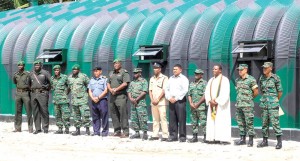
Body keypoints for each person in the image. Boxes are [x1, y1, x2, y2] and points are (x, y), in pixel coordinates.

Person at [257, 62, 283, 149]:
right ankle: (265, 141)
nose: (264, 69)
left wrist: (274, 100)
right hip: (264, 104)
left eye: (266, 67)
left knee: (275, 123)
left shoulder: (275, 78)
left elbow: (280, 92)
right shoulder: (262, 78)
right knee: (264, 123)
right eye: (263, 67)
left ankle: (279, 142)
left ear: (270, 68)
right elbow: (262, 90)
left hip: (273, 104)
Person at [204, 64, 231, 144]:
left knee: (222, 121)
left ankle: (223, 139)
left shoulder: (225, 80)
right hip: (212, 105)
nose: (214, 70)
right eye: (213, 69)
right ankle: (212, 138)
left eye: (216, 69)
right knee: (212, 121)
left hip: (221, 106)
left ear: (220, 70)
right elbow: (207, 92)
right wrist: (209, 100)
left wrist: (217, 101)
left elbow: (225, 93)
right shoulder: (211, 80)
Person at [235, 64, 258, 147]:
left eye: (241, 70)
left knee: (249, 123)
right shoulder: (238, 80)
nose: (239, 71)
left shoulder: (251, 79)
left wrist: (249, 99)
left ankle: (251, 140)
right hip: (239, 105)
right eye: (238, 70)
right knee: (240, 122)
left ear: (246, 70)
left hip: (247, 105)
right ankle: (242, 139)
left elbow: (256, 92)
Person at [165, 64, 189, 142]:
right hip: (171, 100)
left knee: (181, 119)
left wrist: (176, 98)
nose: (174, 70)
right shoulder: (170, 79)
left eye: (176, 69)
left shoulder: (184, 79)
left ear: (180, 70)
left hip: (180, 101)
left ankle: (182, 136)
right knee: (172, 119)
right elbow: (166, 89)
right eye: (173, 69)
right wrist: (169, 97)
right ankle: (173, 136)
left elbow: (185, 90)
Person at [107, 59, 130, 138]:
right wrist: (110, 90)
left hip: (121, 96)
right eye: (114, 64)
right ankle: (117, 131)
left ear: (120, 64)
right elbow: (108, 83)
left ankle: (126, 132)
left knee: (123, 114)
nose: (115, 65)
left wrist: (116, 89)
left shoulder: (124, 72)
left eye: (117, 63)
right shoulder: (111, 73)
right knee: (114, 113)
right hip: (112, 96)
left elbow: (125, 83)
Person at [67, 64, 90, 136]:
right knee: (75, 116)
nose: (74, 71)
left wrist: (87, 95)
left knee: (85, 115)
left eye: (76, 69)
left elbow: (89, 86)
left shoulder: (83, 76)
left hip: (82, 100)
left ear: (79, 70)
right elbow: (68, 87)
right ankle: (77, 130)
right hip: (74, 100)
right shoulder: (70, 77)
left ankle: (87, 130)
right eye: (73, 69)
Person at [148, 62, 169, 141]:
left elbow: (164, 90)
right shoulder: (152, 78)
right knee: (155, 119)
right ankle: (155, 134)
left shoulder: (164, 78)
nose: (155, 69)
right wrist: (152, 99)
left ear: (160, 69)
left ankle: (165, 135)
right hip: (153, 102)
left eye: (156, 68)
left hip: (162, 102)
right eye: (154, 68)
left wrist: (157, 99)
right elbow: (150, 90)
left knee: (163, 118)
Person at [29, 60, 51, 134]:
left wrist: (46, 88)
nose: (36, 66)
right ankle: (38, 128)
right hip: (33, 94)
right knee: (35, 111)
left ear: (41, 65)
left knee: (44, 111)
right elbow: (29, 84)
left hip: (42, 94)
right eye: (35, 65)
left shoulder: (45, 73)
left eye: (38, 65)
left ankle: (45, 128)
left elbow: (51, 82)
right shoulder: (31, 74)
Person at [127, 68, 149, 140]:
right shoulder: (132, 82)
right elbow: (129, 91)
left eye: (136, 73)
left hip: (140, 102)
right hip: (133, 102)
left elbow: (144, 91)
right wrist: (131, 99)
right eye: (134, 73)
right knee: (134, 118)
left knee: (142, 117)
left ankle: (145, 133)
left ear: (140, 73)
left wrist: (136, 99)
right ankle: (137, 133)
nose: (135, 74)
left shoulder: (143, 81)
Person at [13, 60, 33, 133]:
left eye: (21, 65)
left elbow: (31, 82)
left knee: (28, 111)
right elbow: (15, 82)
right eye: (19, 65)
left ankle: (30, 128)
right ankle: (17, 128)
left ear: (24, 66)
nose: (20, 66)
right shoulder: (16, 74)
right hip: (18, 93)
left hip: (26, 93)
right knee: (17, 111)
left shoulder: (28, 74)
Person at [88, 66, 109, 137]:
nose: (95, 72)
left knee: (104, 116)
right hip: (94, 100)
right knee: (95, 116)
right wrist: (93, 98)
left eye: (97, 71)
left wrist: (98, 97)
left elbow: (106, 90)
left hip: (102, 100)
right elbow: (90, 90)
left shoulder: (104, 79)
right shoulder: (91, 80)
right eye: (94, 71)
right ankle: (96, 132)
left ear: (100, 71)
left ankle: (105, 132)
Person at [187, 69, 207, 143]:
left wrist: (198, 104)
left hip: (201, 106)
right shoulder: (191, 83)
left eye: (198, 74)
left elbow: (205, 95)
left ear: (201, 75)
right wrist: (191, 103)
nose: (196, 75)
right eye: (195, 73)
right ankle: (194, 137)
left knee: (203, 122)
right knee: (194, 122)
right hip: (193, 106)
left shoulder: (204, 83)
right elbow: (189, 94)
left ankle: (205, 136)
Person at [50, 65, 71, 134]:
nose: (56, 71)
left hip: (63, 100)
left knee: (66, 115)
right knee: (57, 115)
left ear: (60, 70)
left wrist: (65, 94)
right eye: (55, 70)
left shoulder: (64, 77)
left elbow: (69, 86)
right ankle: (60, 128)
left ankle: (67, 128)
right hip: (56, 100)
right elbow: (52, 87)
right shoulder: (52, 78)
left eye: (57, 70)